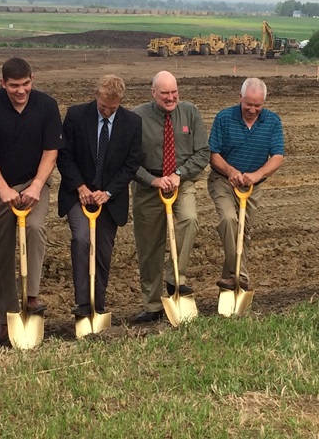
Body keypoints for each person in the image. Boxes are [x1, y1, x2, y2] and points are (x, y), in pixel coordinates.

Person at [0, 57, 64, 344]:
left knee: (35, 229)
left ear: (32, 80)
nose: (21, 91)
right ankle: (5, 318)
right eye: (14, 86)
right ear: (3, 84)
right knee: (1, 252)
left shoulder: (47, 105)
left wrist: (37, 185)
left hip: (33, 182)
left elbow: (51, 151)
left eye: (26, 84)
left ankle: (32, 297)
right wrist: (1, 187)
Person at [57, 75, 142, 318]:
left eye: (112, 108)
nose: (106, 112)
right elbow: (64, 155)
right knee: (83, 240)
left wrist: (108, 192)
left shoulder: (132, 123)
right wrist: (80, 187)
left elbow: (131, 163)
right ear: (97, 94)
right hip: (78, 194)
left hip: (110, 198)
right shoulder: (76, 116)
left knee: (103, 251)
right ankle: (83, 305)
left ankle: (98, 306)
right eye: (103, 106)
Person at [131, 71, 209, 322]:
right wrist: (151, 179)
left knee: (189, 219)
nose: (170, 97)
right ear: (153, 93)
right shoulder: (136, 117)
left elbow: (202, 152)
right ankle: (152, 306)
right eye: (164, 93)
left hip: (181, 182)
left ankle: (175, 277)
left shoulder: (190, 113)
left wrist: (178, 174)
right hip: (148, 186)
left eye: (174, 91)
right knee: (150, 246)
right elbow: (127, 160)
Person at [208, 77, 284, 291]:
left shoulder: (272, 121)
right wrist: (231, 171)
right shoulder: (224, 118)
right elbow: (213, 154)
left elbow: (278, 155)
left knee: (243, 232)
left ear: (264, 103)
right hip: (222, 181)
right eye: (248, 104)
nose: (252, 109)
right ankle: (241, 276)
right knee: (229, 220)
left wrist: (257, 175)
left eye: (257, 105)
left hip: (252, 186)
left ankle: (229, 282)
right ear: (240, 98)